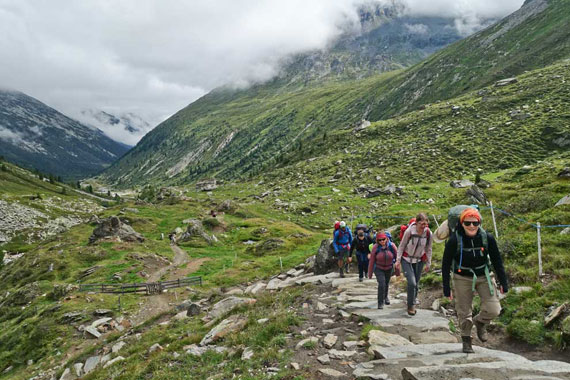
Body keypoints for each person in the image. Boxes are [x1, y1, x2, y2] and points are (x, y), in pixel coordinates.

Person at [442, 207, 508, 353]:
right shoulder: (454, 240)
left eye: (475, 223)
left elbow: (497, 261)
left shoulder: (487, 238)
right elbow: (445, 264)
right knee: (464, 311)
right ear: (461, 223)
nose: (472, 226)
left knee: (494, 309)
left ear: (479, 223)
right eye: (467, 223)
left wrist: (503, 282)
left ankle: (480, 322)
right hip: (461, 277)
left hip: (484, 275)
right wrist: (446, 287)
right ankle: (466, 340)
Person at [395, 213, 432, 316]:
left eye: (426, 224)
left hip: (419, 260)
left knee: (416, 282)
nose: (424, 226)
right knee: (412, 282)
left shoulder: (428, 233)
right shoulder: (409, 231)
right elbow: (401, 246)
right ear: (416, 222)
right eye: (422, 224)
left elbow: (429, 248)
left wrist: (428, 262)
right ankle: (410, 306)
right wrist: (398, 261)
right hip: (406, 259)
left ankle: (413, 300)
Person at [368, 231, 397, 309]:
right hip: (378, 268)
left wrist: (397, 271)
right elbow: (372, 261)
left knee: (386, 283)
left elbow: (397, 258)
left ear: (387, 239)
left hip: (389, 267)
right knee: (381, 284)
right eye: (379, 240)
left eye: (383, 239)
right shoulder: (375, 247)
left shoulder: (392, 246)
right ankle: (380, 302)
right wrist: (370, 273)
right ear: (377, 240)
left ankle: (385, 297)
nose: (382, 241)